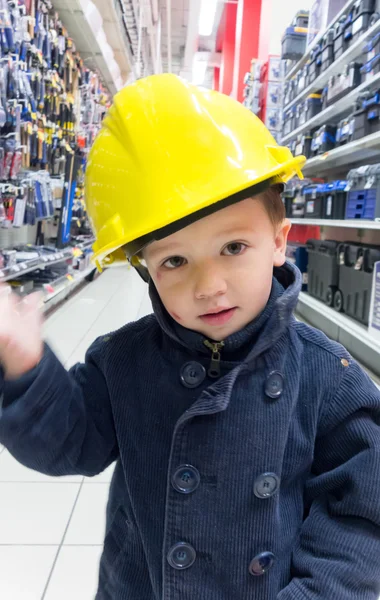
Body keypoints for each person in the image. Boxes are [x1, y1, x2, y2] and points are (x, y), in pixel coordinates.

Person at [0, 74, 380, 600]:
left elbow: (361, 516)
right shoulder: (124, 361)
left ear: (278, 241)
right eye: (175, 261)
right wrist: (25, 367)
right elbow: (71, 444)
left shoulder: (326, 377)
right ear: (145, 270)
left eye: (233, 248)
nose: (209, 286)